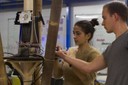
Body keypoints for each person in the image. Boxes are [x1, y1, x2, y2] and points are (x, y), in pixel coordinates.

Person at [55, 1, 128, 85]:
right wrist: (63, 56)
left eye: (104, 18)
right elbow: (89, 67)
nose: (102, 23)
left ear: (115, 17)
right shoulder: (111, 48)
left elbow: (87, 79)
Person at [53, 19, 101, 85]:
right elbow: (57, 75)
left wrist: (69, 60)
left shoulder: (93, 54)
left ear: (88, 36)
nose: (74, 37)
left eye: (78, 33)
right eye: (74, 33)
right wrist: (56, 58)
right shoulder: (71, 50)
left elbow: (88, 81)